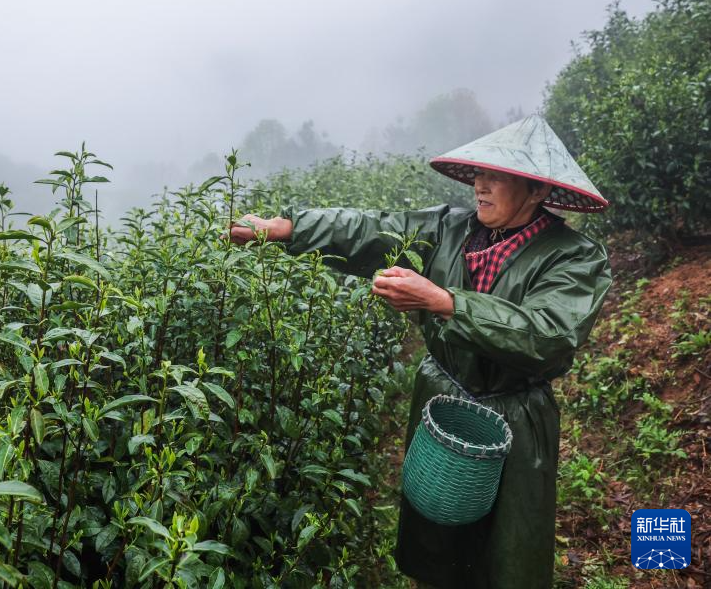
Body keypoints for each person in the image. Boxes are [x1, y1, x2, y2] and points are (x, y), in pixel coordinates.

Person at [229, 115, 612, 588]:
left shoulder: (573, 256)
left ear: (537, 190)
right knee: (437, 527)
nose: (480, 185)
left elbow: (548, 335)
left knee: (507, 545)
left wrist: (445, 301)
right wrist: (289, 228)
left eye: (496, 176)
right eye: (478, 173)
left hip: (513, 413)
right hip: (443, 396)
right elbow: (374, 229)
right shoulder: (449, 228)